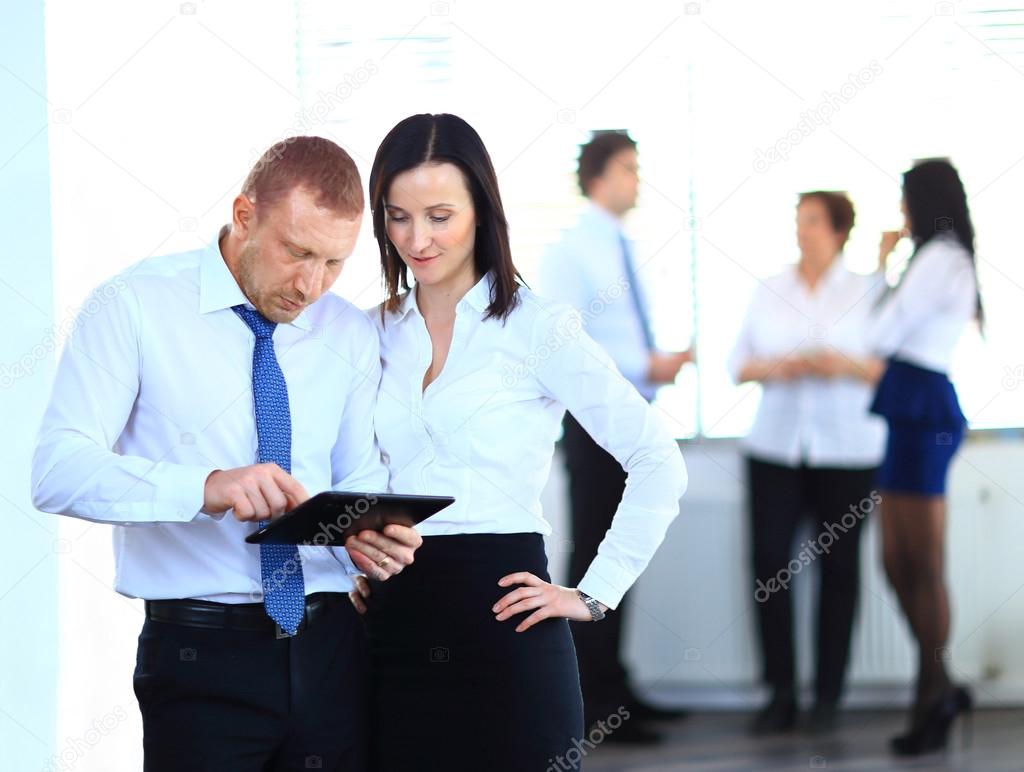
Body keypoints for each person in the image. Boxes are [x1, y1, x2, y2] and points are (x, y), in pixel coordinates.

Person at [31, 137, 422, 772]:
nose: (310, 285)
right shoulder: (133, 306)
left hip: (331, 650)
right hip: (198, 658)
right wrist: (206, 486)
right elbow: (58, 471)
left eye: (333, 263)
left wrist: (370, 533)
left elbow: (358, 477)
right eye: (296, 252)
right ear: (244, 216)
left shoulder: (346, 332)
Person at [346, 113, 687, 771]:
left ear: (481, 209)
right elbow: (348, 472)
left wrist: (592, 593)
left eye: (439, 215)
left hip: (507, 623)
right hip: (392, 627)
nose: (417, 238)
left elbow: (656, 459)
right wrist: (347, 564)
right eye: (398, 216)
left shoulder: (537, 328)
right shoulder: (369, 333)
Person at [536, 130, 693, 744]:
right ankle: (593, 702)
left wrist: (655, 362)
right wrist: (646, 364)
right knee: (594, 557)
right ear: (599, 175)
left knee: (623, 551)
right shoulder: (572, 249)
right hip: (594, 427)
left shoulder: (622, 246)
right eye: (629, 168)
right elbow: (566, 342)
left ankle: (618, 690)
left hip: (628, 425)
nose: (637, 180)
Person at [729, 191, 886, 735]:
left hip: (848, 453)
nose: (803, 231)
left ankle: (828, 698)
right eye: (798, 221)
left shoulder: (870, 290)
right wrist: (779, 366)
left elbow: (887, 372)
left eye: (813, 222)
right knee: (770, 566)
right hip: (776, 449)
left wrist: (839, 364)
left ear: (841, 230)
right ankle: (780, 694)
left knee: (840, 572)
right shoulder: (770, 288)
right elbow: (738, 365)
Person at [870, 159, 980, 756]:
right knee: (896, 562)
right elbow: (881, 328)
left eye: (906, 200)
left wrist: (885, 266)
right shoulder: (935, 258)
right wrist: (886, 265)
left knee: (923, 565)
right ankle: (941, 682)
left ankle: (930, 693)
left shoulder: (940, 258)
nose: (901, 214)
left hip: (923, 407)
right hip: (909, 404)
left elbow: (880, 336)